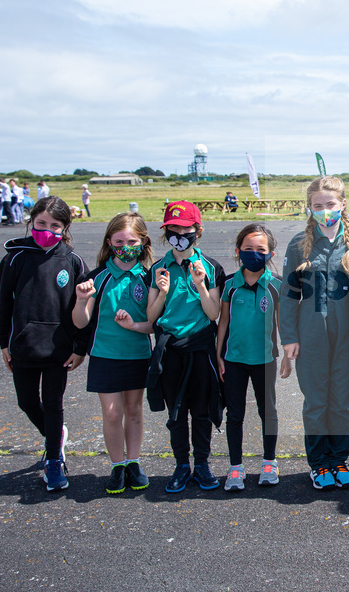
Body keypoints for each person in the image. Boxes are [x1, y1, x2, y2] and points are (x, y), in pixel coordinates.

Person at [0, 197, 88, 491]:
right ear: (31, 221)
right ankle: (56, 436)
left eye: (55, 225)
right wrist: (3, 342)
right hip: (23, 346)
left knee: (54, 402)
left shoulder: (72, 261)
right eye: (41, 223)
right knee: (27, 401)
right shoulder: (14, 258)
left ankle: (53, 461)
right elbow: (4, 304)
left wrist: (79, 347)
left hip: (58, 348)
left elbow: (81, 310)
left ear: (65, 227)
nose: (47, 229)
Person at [280, 176, 349, 491]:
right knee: (316, 401)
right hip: (310, 332)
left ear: (343, 204)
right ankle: (319, 464)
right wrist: (289, 336)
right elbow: (289, 296)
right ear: (310, 208)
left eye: (331, 204)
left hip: (347, 336)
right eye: (318, 205)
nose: (325, 210)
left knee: (341, 401)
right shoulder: (298, 245)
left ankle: (339, 459)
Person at [145, 201, 226, 493]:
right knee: (176, 412)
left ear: (197, 230)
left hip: (200, 346)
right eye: (173, 229)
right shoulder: (158, 267)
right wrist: (162, 292)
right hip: (170, 349)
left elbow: (213, 313)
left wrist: (201, 284)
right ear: (166, 232)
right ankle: (181, 464)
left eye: (185, 228)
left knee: (202, 411)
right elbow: (151, 317)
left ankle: (202, 463)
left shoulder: (210, 267)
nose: (180, 234)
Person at [72, 212, 155, 494]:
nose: (125, 246)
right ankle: (117, 465)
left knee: (133, 411)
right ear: (109, 242)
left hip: (137, 355)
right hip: (105, 355)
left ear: (143, 242)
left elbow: (155, 324)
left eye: (132, 240)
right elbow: (81, 322)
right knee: (111, 413)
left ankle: (134, 462)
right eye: (119, 241)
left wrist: (134, 326)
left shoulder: (149, 277)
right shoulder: (98, 277)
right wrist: (82, 300)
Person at [217, 224, 291, 491]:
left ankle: (269, 462)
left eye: (261, 249)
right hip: (234, 359)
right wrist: (219, 355)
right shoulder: (229, 284)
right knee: (235, 413)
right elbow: (223, 321)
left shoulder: (276, 284)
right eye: (248, 249)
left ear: (270, 253)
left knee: (267, 411)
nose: (254, 254)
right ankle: (235, 467)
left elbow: (283, 322)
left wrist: (285, 355)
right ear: (238, 251)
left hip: (265, 359)